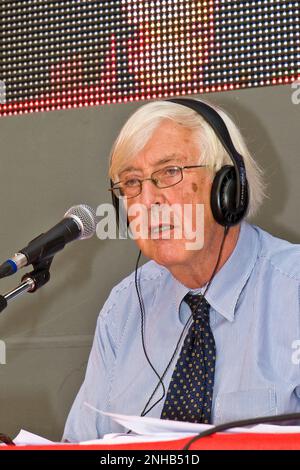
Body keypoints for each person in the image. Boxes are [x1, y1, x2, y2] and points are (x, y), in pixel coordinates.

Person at [63, 98, 300, 442]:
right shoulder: (124, 308)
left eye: (170, 173)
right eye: (132, 182)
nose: (147, 201)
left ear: (228, 187)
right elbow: (80, 446)